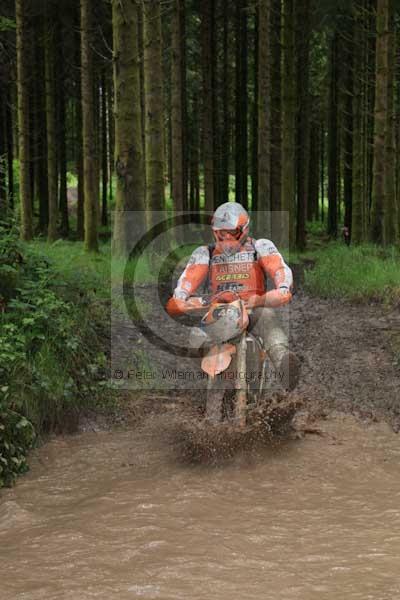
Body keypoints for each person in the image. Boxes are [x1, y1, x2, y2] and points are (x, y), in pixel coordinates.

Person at [166, 202, 300, 391]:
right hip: (219, 310)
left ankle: (283, 362)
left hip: (253, 307)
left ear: (244, 229)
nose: (227, 237)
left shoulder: (260, 246)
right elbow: (187, 280)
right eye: (222, 233)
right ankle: (208, 373)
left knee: (267, 316)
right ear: (215, 231)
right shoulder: (206, 253)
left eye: (232, 232)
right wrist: (182, 299)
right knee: (196, 334)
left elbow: (279, 268)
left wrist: (281, 288)